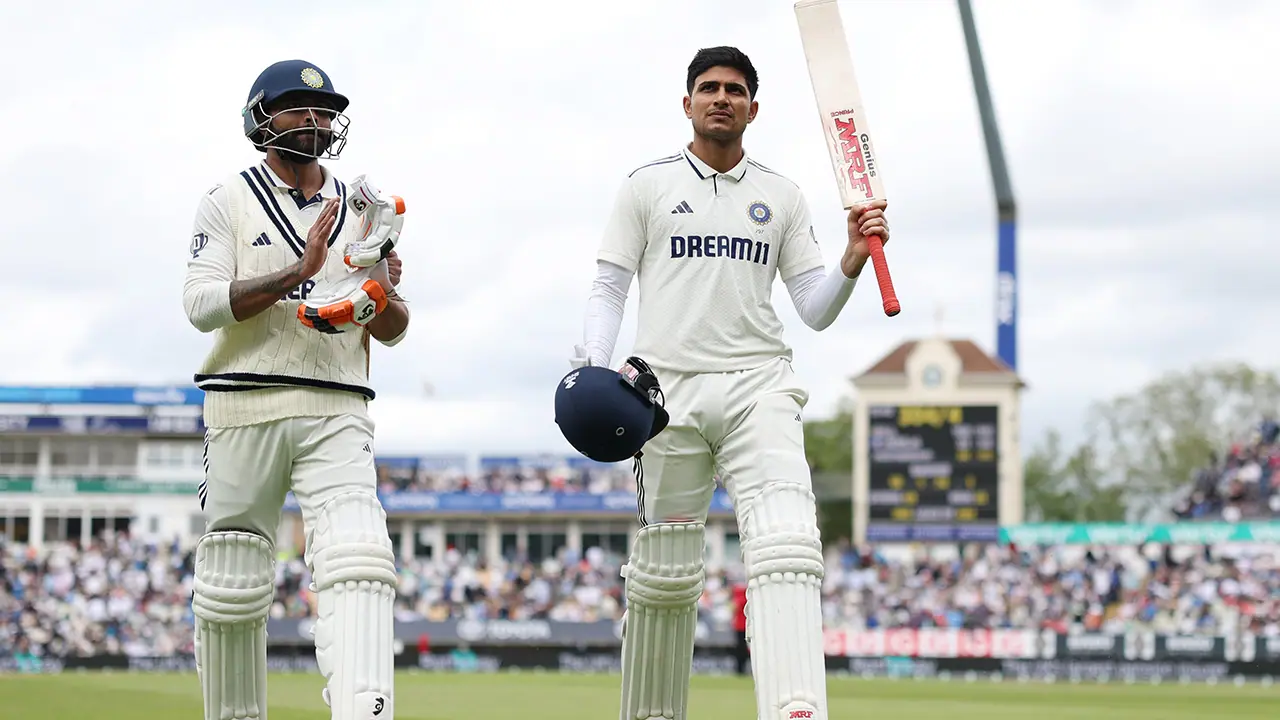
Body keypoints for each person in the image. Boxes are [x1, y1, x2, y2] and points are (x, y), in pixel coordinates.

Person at [571, 46, 889, 720]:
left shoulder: (782, 195)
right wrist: (596, 365)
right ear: (687, 102)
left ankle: (796, 709)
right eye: (710, 87)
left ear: (754, 108)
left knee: (786, 545)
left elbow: (814, 309)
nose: (722, 98)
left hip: (758, 386)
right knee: (664, 572)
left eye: (735, 90)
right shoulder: (647, 186)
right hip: (665, 393)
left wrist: (853, 258)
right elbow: (609, 287)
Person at [182, 59, 410, 720]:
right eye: (297, 107)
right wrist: (296, 272)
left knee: (359, 557)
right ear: (262, 118)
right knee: (232, 575)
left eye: (324, 111)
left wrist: (380, 295)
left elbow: (395, 329)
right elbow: (200, 305)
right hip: (243, 403)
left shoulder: (364, 209)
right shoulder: (226, 199)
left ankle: (364, 711)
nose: (314, 119)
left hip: (337, 403)